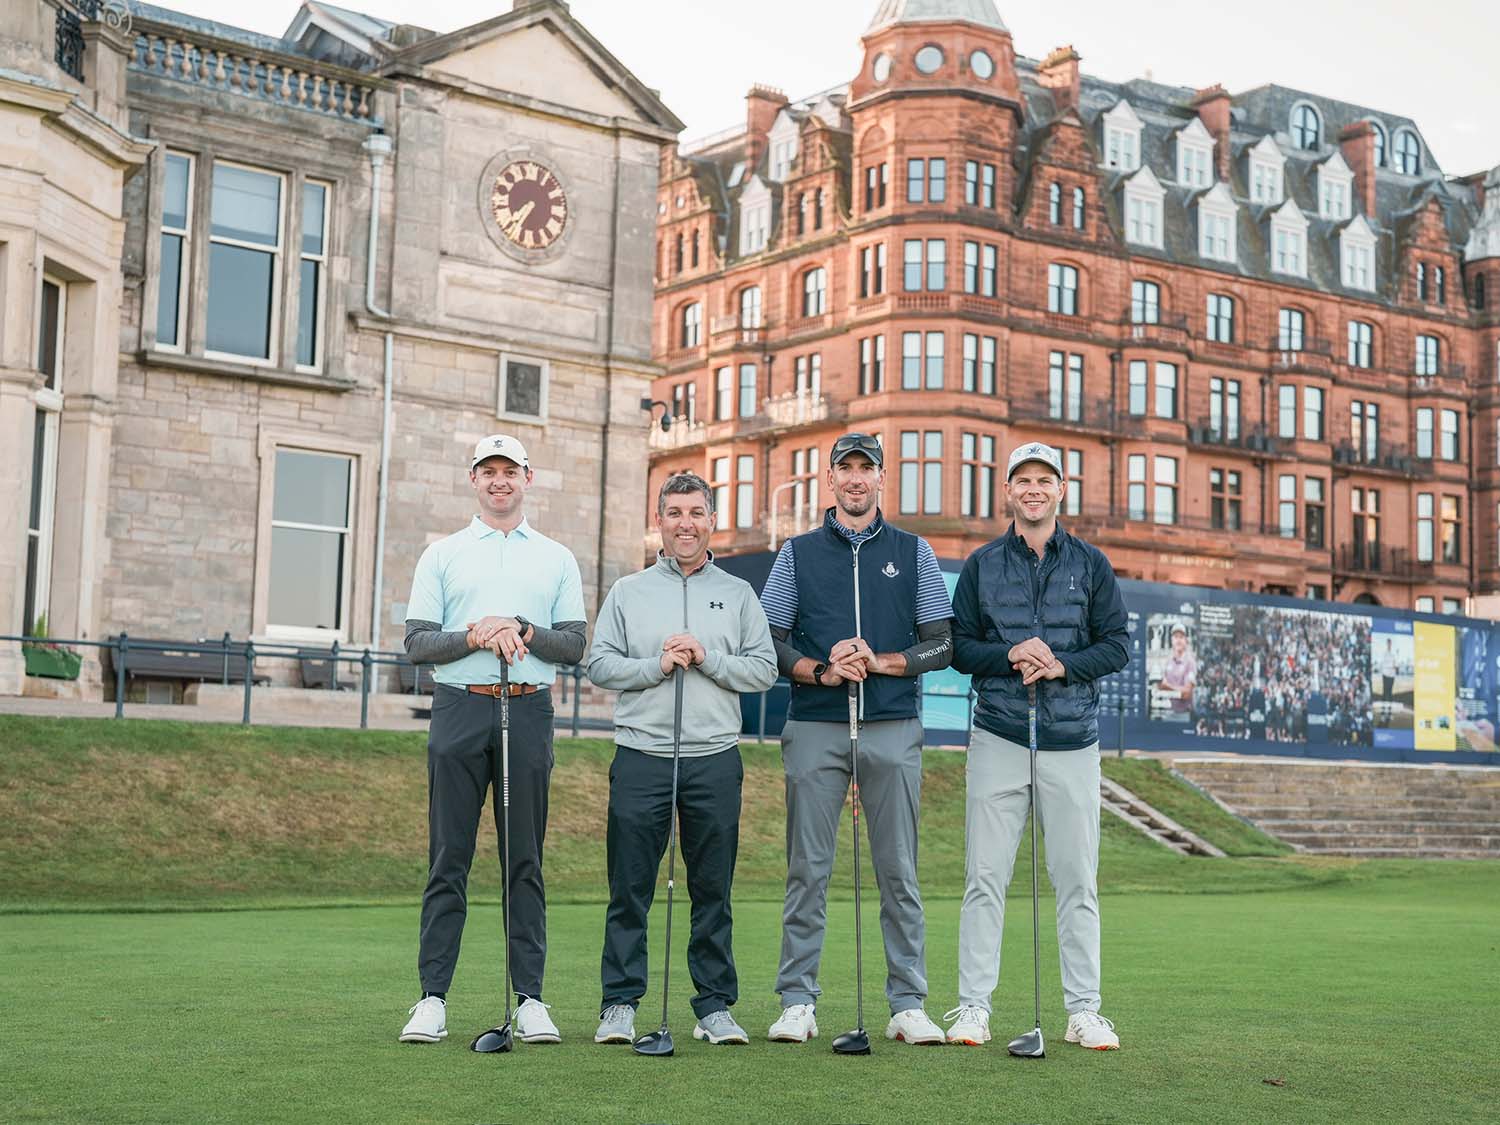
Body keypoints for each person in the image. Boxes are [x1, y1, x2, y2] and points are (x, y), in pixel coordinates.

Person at [759, 432, 955, 1046]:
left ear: (880, 478)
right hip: (816, 723)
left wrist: (882, 661)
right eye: (844, 469)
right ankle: (797, 1000)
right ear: (830, 480)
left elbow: (943, 643)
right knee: (808, 869)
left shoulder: (913, 551)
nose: (854, 479)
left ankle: (907, 1002)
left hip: (892, 723)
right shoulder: (798, 553)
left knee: (898, 869)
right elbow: (769, 641)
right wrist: (823, 668)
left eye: (864, 469)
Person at [398, 435, 587, 1046]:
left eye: (510, 471)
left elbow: (574, 644)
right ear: (473, 479)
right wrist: (477, 636)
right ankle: (432, 999)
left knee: (523, 861)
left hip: (527, 712)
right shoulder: (443, 554)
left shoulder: (556, 557)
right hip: (459, 709)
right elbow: (419, 642)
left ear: (528, 478)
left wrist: (522, 630)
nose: (500, 481)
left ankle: (530, 998)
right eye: (489, 471)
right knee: (448, 859)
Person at [947, 441, 1129, 1050]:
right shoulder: (980, 564)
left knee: (1077, 879)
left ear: (1060, 489)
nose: (1032, 489)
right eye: (1021, 479)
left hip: (1071, 739)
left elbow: (1117, 645)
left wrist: (1060, 665)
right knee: (985, 876)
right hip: (999, 731)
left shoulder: (1091, 563)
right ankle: (973, 1007)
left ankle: (1083, 1011)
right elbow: (959, 647)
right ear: (1007, 491)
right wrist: (1010, 654)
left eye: (1043, 480)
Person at [586, 471, 777, 1047]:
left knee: (712, 889)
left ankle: (714, 1007)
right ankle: (619, 1004)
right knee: (630, 886)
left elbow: (763, 669)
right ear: (659, 521)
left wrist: (708, 656)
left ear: (711, 519)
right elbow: (599, 665)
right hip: (642, 755)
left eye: (696, 513)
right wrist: (656, 666)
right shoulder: (628, 591)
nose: (685, 524)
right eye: (674, 513)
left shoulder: (740, 593)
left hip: (714, 758)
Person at [1155, 624, 1196, 714]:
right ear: (1172, 640)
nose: (1178, 640)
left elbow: (1187, 693)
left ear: (1186, 640)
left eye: (1181, 637)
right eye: (1176, 637)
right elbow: (1160, 687)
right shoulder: (1168, 661)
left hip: (1184, 714)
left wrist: (1168, 687)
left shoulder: (1190, 662)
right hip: (1167, 712)